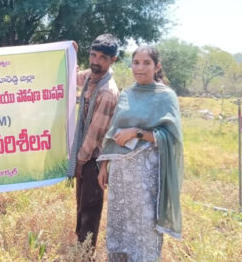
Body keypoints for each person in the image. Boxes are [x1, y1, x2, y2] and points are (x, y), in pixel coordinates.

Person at [97, 46, 183, 261]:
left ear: (157, 66)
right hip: (120, 176)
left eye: (146, 63)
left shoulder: (165, 97)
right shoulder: (126, 94)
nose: (140, 68)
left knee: (145, 225)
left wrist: (138, 133)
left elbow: (171, 137)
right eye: (136, 62)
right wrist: (104, 166)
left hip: (147, 175)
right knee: (120, 222)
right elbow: (112, 133)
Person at [66, 34, 120, 249]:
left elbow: (95, 134)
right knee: (81, 203)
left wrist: (79, 161)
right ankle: (80, 247)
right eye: (93, 55)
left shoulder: (107, 92)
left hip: (95, 160)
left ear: (113, 60)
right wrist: (71, 55)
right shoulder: (92, 76)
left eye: (103, 58)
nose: (96, 62)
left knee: (90, 207)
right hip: (84, 155)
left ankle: (85, 252)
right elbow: (75, 77)